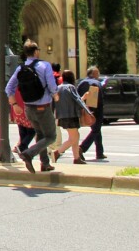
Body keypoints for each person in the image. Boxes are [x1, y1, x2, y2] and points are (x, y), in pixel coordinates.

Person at [5, 40, 59, 173]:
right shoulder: (45, 65)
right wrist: (55, 95)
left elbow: (8, 88)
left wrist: (15, 104)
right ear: (36, 51)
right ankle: (29, 153)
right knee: (51, 136)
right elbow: (52, 86)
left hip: (28, 108)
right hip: (43, 107)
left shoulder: (20, 68)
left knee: (40, 134)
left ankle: (45, 163)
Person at [52, 70, 91, 165]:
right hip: (71, 115)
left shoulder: (58, 88)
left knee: (75, 136)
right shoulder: (71, 87)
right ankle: (57, 152)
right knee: (74, 138)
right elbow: (77, 100)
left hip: (61, 116)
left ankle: (76, 158)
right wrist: (87, 108)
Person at [78, 66, 106, 160]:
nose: (98, 75)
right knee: (96, 130)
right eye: (97, 73)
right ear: (93, 74)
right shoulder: (96, 83)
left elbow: (78, 97)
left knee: (97, 130)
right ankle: (82, 148)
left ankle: (99, 152)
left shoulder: (81, 83)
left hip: (85, 109)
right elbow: (101, 99)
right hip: (96, 110)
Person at [11, 89, 35, 156]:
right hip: (25, 112)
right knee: (32, 131)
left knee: (23, 133)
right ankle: (22, 147)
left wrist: (12, 114)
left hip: (17, 112)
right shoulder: (26, 86)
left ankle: (24, 152)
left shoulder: (14, 87)